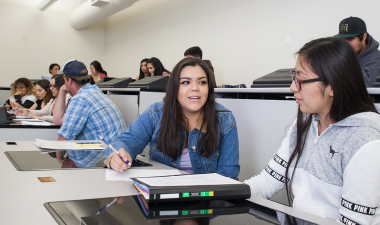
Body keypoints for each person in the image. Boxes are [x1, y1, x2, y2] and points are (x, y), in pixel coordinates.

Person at [244, 38, 380, 224]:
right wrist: (221, 194)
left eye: (301, 80)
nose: (292, 87)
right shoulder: (306, 122)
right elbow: (268, 181)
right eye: (294, 78)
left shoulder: (366, 141)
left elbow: (353, 221)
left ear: (334, 86)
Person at [105, 57, 239, 179]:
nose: (195, 88)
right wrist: (116, 156)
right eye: (186, 82)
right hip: (162, 198)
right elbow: (126, 141)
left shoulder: (224, 120)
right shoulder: (156, 114)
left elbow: (227, 175)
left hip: (206, 199)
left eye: (202, 82)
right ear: (175, 87)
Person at [56, 60, 126, 168]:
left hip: (98, 161)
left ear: (69, 81)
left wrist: (59, 158)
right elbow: (59, 121)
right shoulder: (95, 90)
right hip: (116, 155)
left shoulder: (80, 99)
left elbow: (63, 139)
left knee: (63, 168)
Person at [334, 16, 380, 87]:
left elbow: (365, 82)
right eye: (343, 39)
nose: (346, 44)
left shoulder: (377, 58)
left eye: (350, 39)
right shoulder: (341, 55)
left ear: (364, 36)